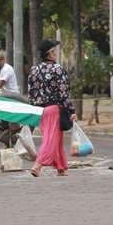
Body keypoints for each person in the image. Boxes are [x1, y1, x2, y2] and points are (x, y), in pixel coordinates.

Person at [27, 40, 76, 177]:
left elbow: (31, 92)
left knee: (56, 138)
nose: (56, 54)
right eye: (54, 51)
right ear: (49, 54)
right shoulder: (57, 69)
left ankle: (61, 168)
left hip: (40, 111)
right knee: (51, 139)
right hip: (54, 109)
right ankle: (38, 165)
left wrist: (33, 110)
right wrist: (71, 110)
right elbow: (64, 92)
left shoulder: (34, 70)